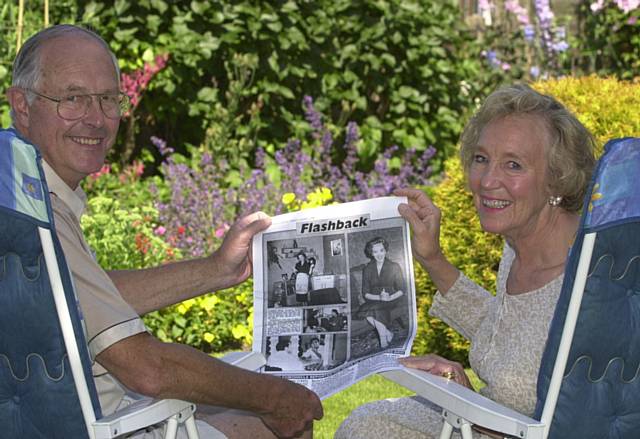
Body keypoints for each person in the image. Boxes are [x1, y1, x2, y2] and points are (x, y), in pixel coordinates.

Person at [6, 24, 322, 439]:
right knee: (276, 422)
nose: (96, 119)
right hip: (101, 427)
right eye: (73, 98)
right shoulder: (35, 212)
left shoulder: (12, 184)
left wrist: (216, 270)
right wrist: (277, 398)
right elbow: (148, 369)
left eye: (107, 99)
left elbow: (75, 301)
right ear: (22, 106)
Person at [336, 84, 596, 438]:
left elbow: (559, 421)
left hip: (508, 429)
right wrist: (432, 257)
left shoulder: (589, 279)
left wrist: (466, 401)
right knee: (368, 423)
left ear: (557, 178)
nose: (488, 180)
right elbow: (513, 337)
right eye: (481, 158)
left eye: (513, 165)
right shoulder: (520, 245)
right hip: (491, 420)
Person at [355, 237, 405, 349]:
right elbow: (365, 293)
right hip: (375, 298)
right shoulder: (368, 269)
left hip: (393, 297)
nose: (379, 254)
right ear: (371, 253)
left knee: (374, 310)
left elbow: (402, 289)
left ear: (385, 250)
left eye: (381, 250)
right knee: (366, 313)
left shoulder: (394, 266)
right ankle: (388, 333)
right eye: (375, 251)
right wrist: (379, 297)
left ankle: (383, 340)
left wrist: (390, 297)